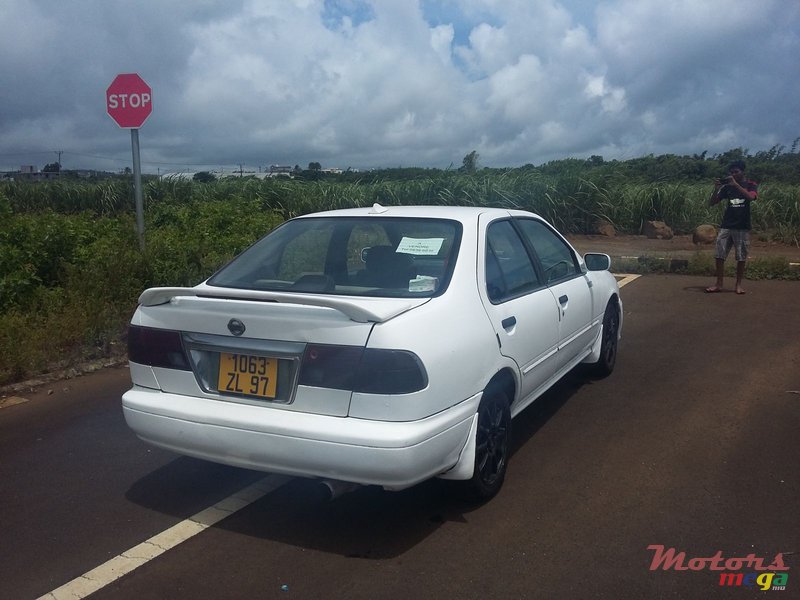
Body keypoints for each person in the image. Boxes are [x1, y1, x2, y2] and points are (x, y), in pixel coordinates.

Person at [705, 160, 758, 295]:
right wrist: (716, 189)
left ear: (743, 171)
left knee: (741, 257)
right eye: (732, 172)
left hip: (742, 226)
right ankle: (719, 284)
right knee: (719, 255)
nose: (733, 174)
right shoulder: (727, 187)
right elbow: (712, 203)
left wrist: (737, 185)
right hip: (727, 225)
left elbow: (751, 197)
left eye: (736, 172)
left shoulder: (751, 184)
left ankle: (738, 285)